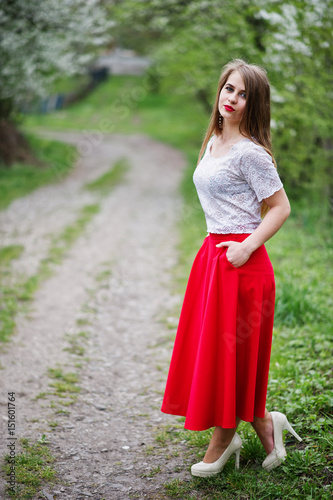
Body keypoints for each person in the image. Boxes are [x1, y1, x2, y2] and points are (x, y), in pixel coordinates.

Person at [161, 59, 302, 477]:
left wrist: (247, 245)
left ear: (253, 103)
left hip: (244, 264)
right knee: (218, 353)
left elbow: (280, 207)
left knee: (231, 355)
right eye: (229, 89)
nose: (233, 99)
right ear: (220, 90)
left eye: (243, 94)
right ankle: (264, 423)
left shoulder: (251, 154)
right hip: (213, 259)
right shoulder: (215, 140)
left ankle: (223, 438)